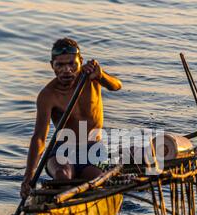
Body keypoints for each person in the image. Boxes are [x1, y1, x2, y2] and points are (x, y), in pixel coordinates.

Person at [20, 38, 122, 199]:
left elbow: (116, 85)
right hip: (62, 150)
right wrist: (28, 175)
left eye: (72, 64)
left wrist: (101, 75)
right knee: (62, 176)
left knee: (95, 180)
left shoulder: (92, 78)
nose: (67, 70)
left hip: (93, 149)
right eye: (59, 65)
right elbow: (39, 138)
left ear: (80, 62)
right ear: (51, 65)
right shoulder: (48, 95)